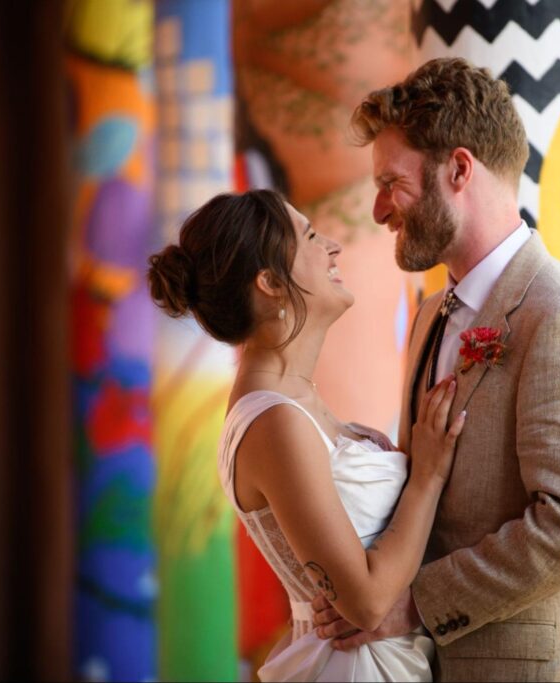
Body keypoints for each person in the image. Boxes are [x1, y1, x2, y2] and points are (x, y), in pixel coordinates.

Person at [311, 57, 560, 681]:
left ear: (459, 169)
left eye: (391, 183)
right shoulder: (431, 315)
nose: (378, 210)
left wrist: (417, 604)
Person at [147, 188, 466, 681]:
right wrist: (426, 474)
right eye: (312, 237)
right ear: (271, 282)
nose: (333, 246)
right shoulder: (273, 422)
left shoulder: (293, 403)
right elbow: (365, 601)